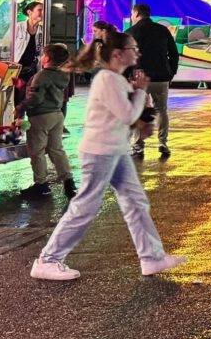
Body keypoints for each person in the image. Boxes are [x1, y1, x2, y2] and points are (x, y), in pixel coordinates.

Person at [29, 29, 185, 281]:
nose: (138, 52)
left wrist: (137, 95)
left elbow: (129, 117)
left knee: (135, 201)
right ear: (117, 54)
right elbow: (127, 115)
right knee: (86, 206)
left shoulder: (117, 80)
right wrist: (141, 92)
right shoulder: (107, 80)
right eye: (133, 48)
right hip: (100, 151)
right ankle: (48, 259)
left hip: (116, 150)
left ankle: (152, 257)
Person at [127, 4, 180, 159]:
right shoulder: (162, 30)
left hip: (139, 78)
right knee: (162, 110)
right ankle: (162, 142)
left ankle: (138, 145)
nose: (131, 16)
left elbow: (127, 58)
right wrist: (171, 73)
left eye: (132, 14)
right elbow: (174, 54)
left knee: (138, 110)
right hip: (161, 78)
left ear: (136, 14)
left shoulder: (131, 32)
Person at [23, 43, 76, 198]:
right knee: (56, 150)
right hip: (57, 115)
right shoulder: (62, 75)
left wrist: (22, 107)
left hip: (40, 117)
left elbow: (35, 98)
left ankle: (41, 184)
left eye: (43, 54)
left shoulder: (42, 76)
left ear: (47, 58)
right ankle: (68, 181)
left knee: (37, 151)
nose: (41, 57)